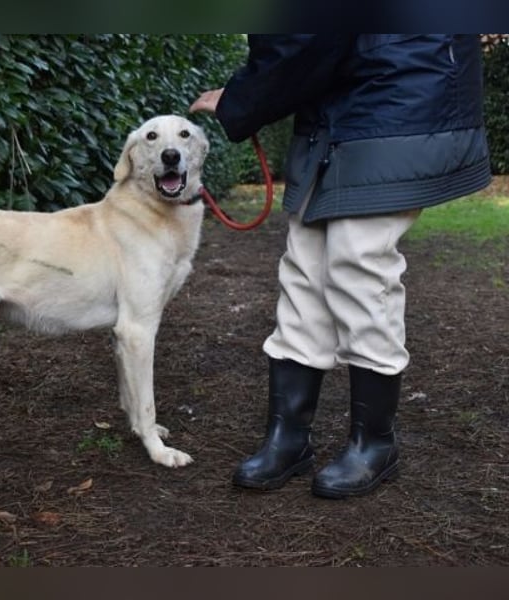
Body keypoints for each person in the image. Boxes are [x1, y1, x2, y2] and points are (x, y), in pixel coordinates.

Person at [190, 34, 491, 498]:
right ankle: (288, 437)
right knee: (305, 264)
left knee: (359, 263)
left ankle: (374, 443)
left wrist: (242, 99)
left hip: (395, 99)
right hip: (347, 101)